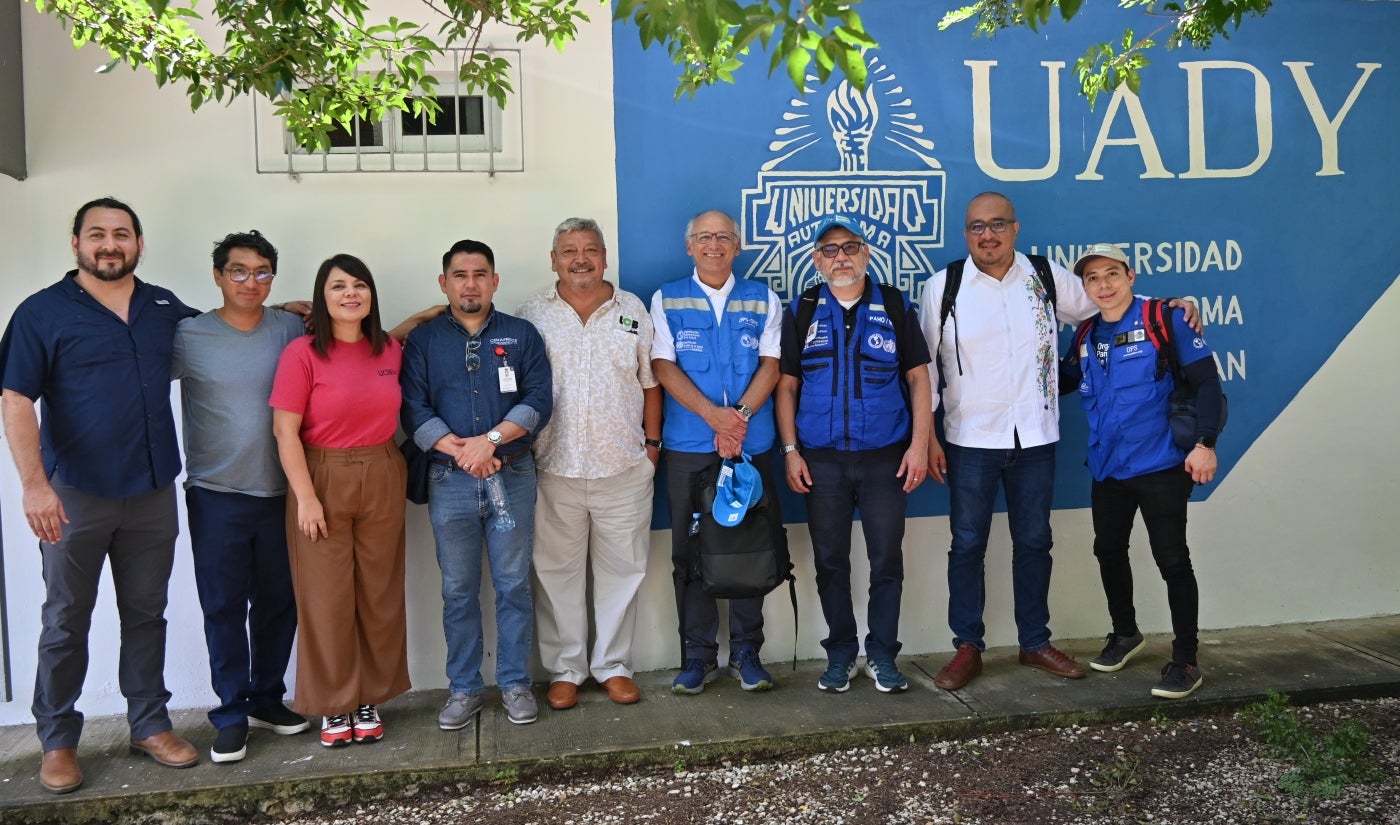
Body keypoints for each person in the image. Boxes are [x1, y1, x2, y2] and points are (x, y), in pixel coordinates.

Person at [920, 193, 1200, 692]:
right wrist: (928, 438)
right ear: (966, 234)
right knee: (967, 544)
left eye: (998, 224)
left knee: (1034, 542)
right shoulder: (944, 287)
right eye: (977, 227)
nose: (988, 235)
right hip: (968, 438)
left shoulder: (1045, 277)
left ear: (1015, 228)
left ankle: (1034, 642)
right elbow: (925, 369)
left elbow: (1115, 303)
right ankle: (967, 646)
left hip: (1035, 437)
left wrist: (1175, 307)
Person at [1, 197, 200, 793]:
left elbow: (223, 335)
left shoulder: (164, 307)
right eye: (97, 234)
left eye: (121, 234)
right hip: (74, 494)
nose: (109, 244)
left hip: (151, 488)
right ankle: (58, 741)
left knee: (146, 614)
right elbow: (15, 401)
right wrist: (34, 487)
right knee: (66, 619)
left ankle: (149, 723)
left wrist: (293, 313)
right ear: (76, 243)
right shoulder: (42, 313)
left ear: (139, 242)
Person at [774, 214, 934, 694]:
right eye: (829, 250)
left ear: (866, 254)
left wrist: (920, 445)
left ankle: (883, 654)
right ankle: (841, 654)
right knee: (830, 562)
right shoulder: (801, 310)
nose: (840, 256)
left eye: (849, 247)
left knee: (887, 560)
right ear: (817, 261)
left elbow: (919, 378)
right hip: (820, 459)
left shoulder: (894, 304)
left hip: (886, 456)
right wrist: (790, 452)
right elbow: (786, 387)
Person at [400, 239, 553, 728]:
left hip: (513, 474)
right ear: (444, 283)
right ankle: (464, 689)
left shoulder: (521, 334)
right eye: (460, 275)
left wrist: (489, 442)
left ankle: (514, 684)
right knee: (459, 590)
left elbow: (538, 400)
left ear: (495, 281)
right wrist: (463, 452)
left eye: (480, 274)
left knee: (512, 585)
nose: (471, 283)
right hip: (450, 480)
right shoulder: (424, 341)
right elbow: (413, 408)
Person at [1060, 243, 1222, 700]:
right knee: (1108, 550)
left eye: (1112, 274)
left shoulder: (1164, 319)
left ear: (1131, 276)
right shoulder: (1086, 333)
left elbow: (1208, 382)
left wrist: (1205, 443)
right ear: (1086, 287)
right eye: (1093, 278)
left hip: (1161, 465)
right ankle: (1125, 633)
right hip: (1109, 466)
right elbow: (1064, 380)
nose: (1104, 285)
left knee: (1172, 560)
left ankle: (1186, 659)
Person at [172, 231, 309, 763]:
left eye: (262, 272)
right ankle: (229, 712)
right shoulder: (188, 335)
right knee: (223, 606)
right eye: (238, 271)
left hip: (284, 492)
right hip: (216, 494)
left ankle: (267, 698)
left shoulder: (292, 327)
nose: (250, 282)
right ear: (218, 276)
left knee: (279, 602)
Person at [517, 219, 662, 710]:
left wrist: (653, 446)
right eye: (568, 250)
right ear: (553, 258)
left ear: (604, 256)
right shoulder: (532, 315)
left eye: (590, 249)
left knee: (624, 571)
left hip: (623, 465)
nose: (580, 258)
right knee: (556, 573)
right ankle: (566, 668)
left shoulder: (633, 310)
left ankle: (614, 666)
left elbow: (650, 381)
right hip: (552, 466)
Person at [270, 254, 411, 748]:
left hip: (383, 471)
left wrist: (425, 317)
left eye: (359, 285)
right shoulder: (303, 354)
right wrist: (306, 498)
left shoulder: (389, 349)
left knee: (378, 592)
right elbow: (285, 431)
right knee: (327, 597)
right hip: (322, 476)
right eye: (338, 286)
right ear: (321, 297)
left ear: (371, 294)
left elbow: (394, 338)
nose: (350, 293)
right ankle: (335, 703)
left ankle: (368, 695)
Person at [649, 209, 787, 695]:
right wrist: (715, 418)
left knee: (750, 547)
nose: (714, 245)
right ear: (690, 246)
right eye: (704, 238)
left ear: (738, 245)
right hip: (690, 446)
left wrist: (739, 419)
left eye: (724, 237)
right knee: (690, 554)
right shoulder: (666, 299)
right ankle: (698, 656)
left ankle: (747, 652)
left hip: (750, 445)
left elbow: (772, 365)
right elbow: (663, 367)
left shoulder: (763, 298)